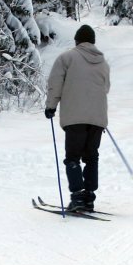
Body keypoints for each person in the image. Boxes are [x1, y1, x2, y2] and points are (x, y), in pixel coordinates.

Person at [45, 24, 111, 212]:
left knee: (72, 157)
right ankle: (89, 198)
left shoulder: (67, 58)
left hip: (75, 117)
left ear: (76, 40)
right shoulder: (103, 63)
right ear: (93, 42)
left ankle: (77, 196)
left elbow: (55, 83)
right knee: (91, 157)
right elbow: (105, 88)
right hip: (97, 118)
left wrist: (51, 106)